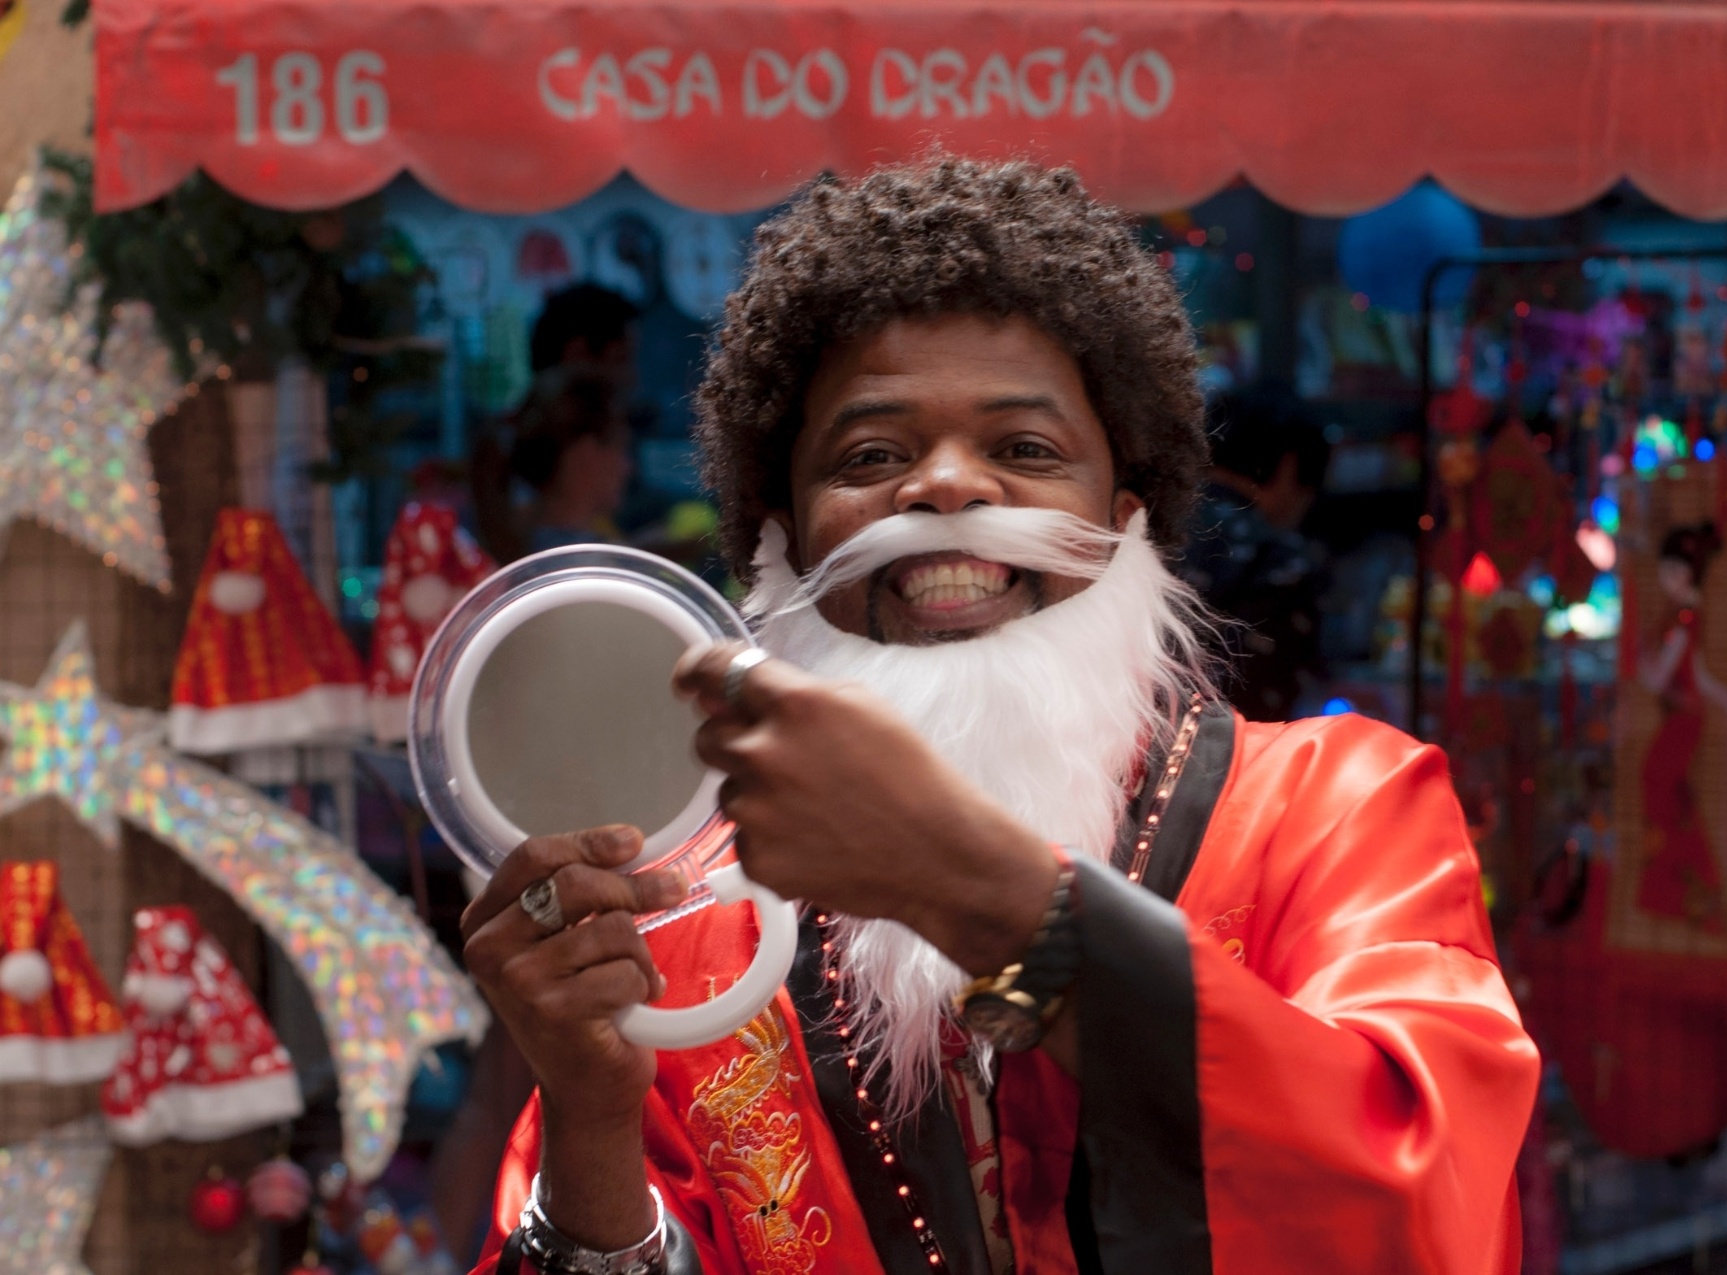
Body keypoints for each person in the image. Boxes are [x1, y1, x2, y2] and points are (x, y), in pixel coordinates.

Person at [461, 158, 1537, 1275]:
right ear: (782, 542)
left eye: (1023, 450)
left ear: (1124, 519)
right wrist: (586, 1117)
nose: (946, 488)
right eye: (872, 456)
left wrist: (969, 886)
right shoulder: (683, 920)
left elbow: (1422, 1211)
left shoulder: (1339, 811)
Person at [1179, 385, 1332, 719]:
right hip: (1230, 760)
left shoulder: (1139, 520)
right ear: (1291, 467)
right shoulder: (1277, 559)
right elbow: (1273, 713)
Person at [1636, 520, 1727, 931]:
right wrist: (1726, 701)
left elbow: (1665, 675)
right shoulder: (1681, 616)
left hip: (1683, 719)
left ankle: (1683, 885)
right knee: (1673, 798)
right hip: (1685, 717)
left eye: (1677, 572)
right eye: (1666, 572)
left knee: (1659, 785)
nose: (1669, 581)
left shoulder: (1682, 619)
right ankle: (1692, 887)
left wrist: (1645, 670)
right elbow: (1695, 673)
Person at [509, 370, 635, 554]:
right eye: (620, 447)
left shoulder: (519, 549)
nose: (627, 467)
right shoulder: (602, 568)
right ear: (586, 454)